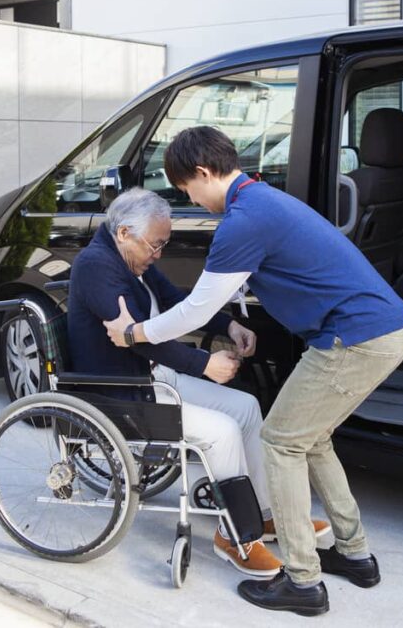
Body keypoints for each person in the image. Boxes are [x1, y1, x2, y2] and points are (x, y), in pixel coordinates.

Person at [103, 127, 403, 616]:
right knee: (312, 439)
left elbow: (195, 310)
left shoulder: (242, 221)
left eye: (187, 189)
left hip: (354, 338)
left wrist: (134, 333)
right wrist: (234, 324)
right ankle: (355, 556)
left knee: (281, 442)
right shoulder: (262, 199)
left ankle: (303, 582)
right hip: (382, 329)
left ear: (203, 173)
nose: (191, 200)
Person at [65, 187, 330, 577]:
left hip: (150, 379)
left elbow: (177, 301)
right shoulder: (96, 267)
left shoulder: (133, 259)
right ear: (123, 233)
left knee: (246, 408)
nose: (159, 254)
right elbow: (138, 341)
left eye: (163, 245)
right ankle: (236, 536)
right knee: (221, 431)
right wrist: (204, 364)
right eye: (155, 245)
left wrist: (228, 325)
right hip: (119, 392)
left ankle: (264, 515)